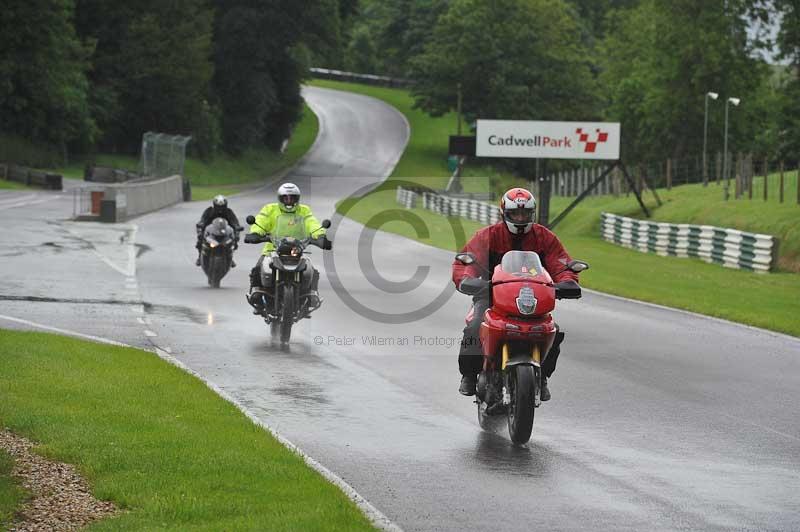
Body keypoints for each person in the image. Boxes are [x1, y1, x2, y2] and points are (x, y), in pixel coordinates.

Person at [451, 187, 580, 400]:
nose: (520, 218)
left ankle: (542, 376)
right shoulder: (488, 236)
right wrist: (466, 279)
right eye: (515, 214)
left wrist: (567, 282)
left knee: (552, 330)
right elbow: (465, 260)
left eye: (525, 213)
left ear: (532, 214)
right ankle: (470, 375)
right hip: (491, 295)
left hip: (534, 296)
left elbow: (561, 263)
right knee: (474, 327)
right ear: (504, 213)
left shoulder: (544, 237)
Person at [245, 183, 331, 313]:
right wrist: (255, 233)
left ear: (298, 198)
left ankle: (311, 296)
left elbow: (312, 223)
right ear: (280, 198)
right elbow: (261, 220)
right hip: (272, 249)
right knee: (259, 267)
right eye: (286, 198)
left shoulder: (304, 210)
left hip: (297, 249)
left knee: (311, 270)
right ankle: (256, 294)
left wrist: (320, 236)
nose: (289, 201)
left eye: (292, 198)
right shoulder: (270, 209)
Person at [196, 195, 242, 267]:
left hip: (225, 233)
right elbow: (203, 219)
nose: (220, 209)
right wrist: (201, 224)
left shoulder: (229, 212)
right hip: (211, 233)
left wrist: (237, 227)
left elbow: (234, 221)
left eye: (222, 206)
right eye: (218, 206)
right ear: (214, 205)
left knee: (234, 239)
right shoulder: (209, 211)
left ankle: (230, 257)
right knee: (200, 237)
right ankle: (199, 256)